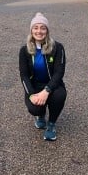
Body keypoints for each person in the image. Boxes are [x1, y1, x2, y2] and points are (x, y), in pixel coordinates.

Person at [19, 12, 67, 141]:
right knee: (34, 108)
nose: (39, 31)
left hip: (52, 84)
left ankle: (51, 124)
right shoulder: (24, 50)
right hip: (34, 85)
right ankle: (40, 115)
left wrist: (47, 91)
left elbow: (59, 72)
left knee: (59, 96)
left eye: (43, 28)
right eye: (35, 27)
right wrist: (31, 94)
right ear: (31, 30)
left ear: (47, 30)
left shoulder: (58, 47)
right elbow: (23, 75)